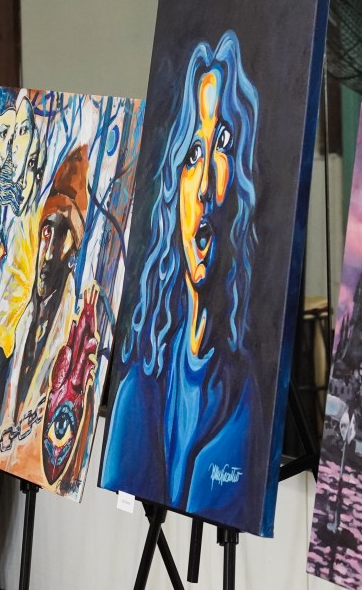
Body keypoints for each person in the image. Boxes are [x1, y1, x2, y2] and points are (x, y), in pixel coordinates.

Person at [101, 30, 263, 529]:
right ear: (172, 192)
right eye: (193, 154)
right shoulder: (139, 390)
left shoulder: (242, 404)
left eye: (224, 146)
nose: (207, 184)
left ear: (245, 184)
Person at [11, 145, 88, 422]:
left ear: (72, 255)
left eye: (62, 236)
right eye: (47, 232)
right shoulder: (22, 324)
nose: (49, 254)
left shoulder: (73, 333)